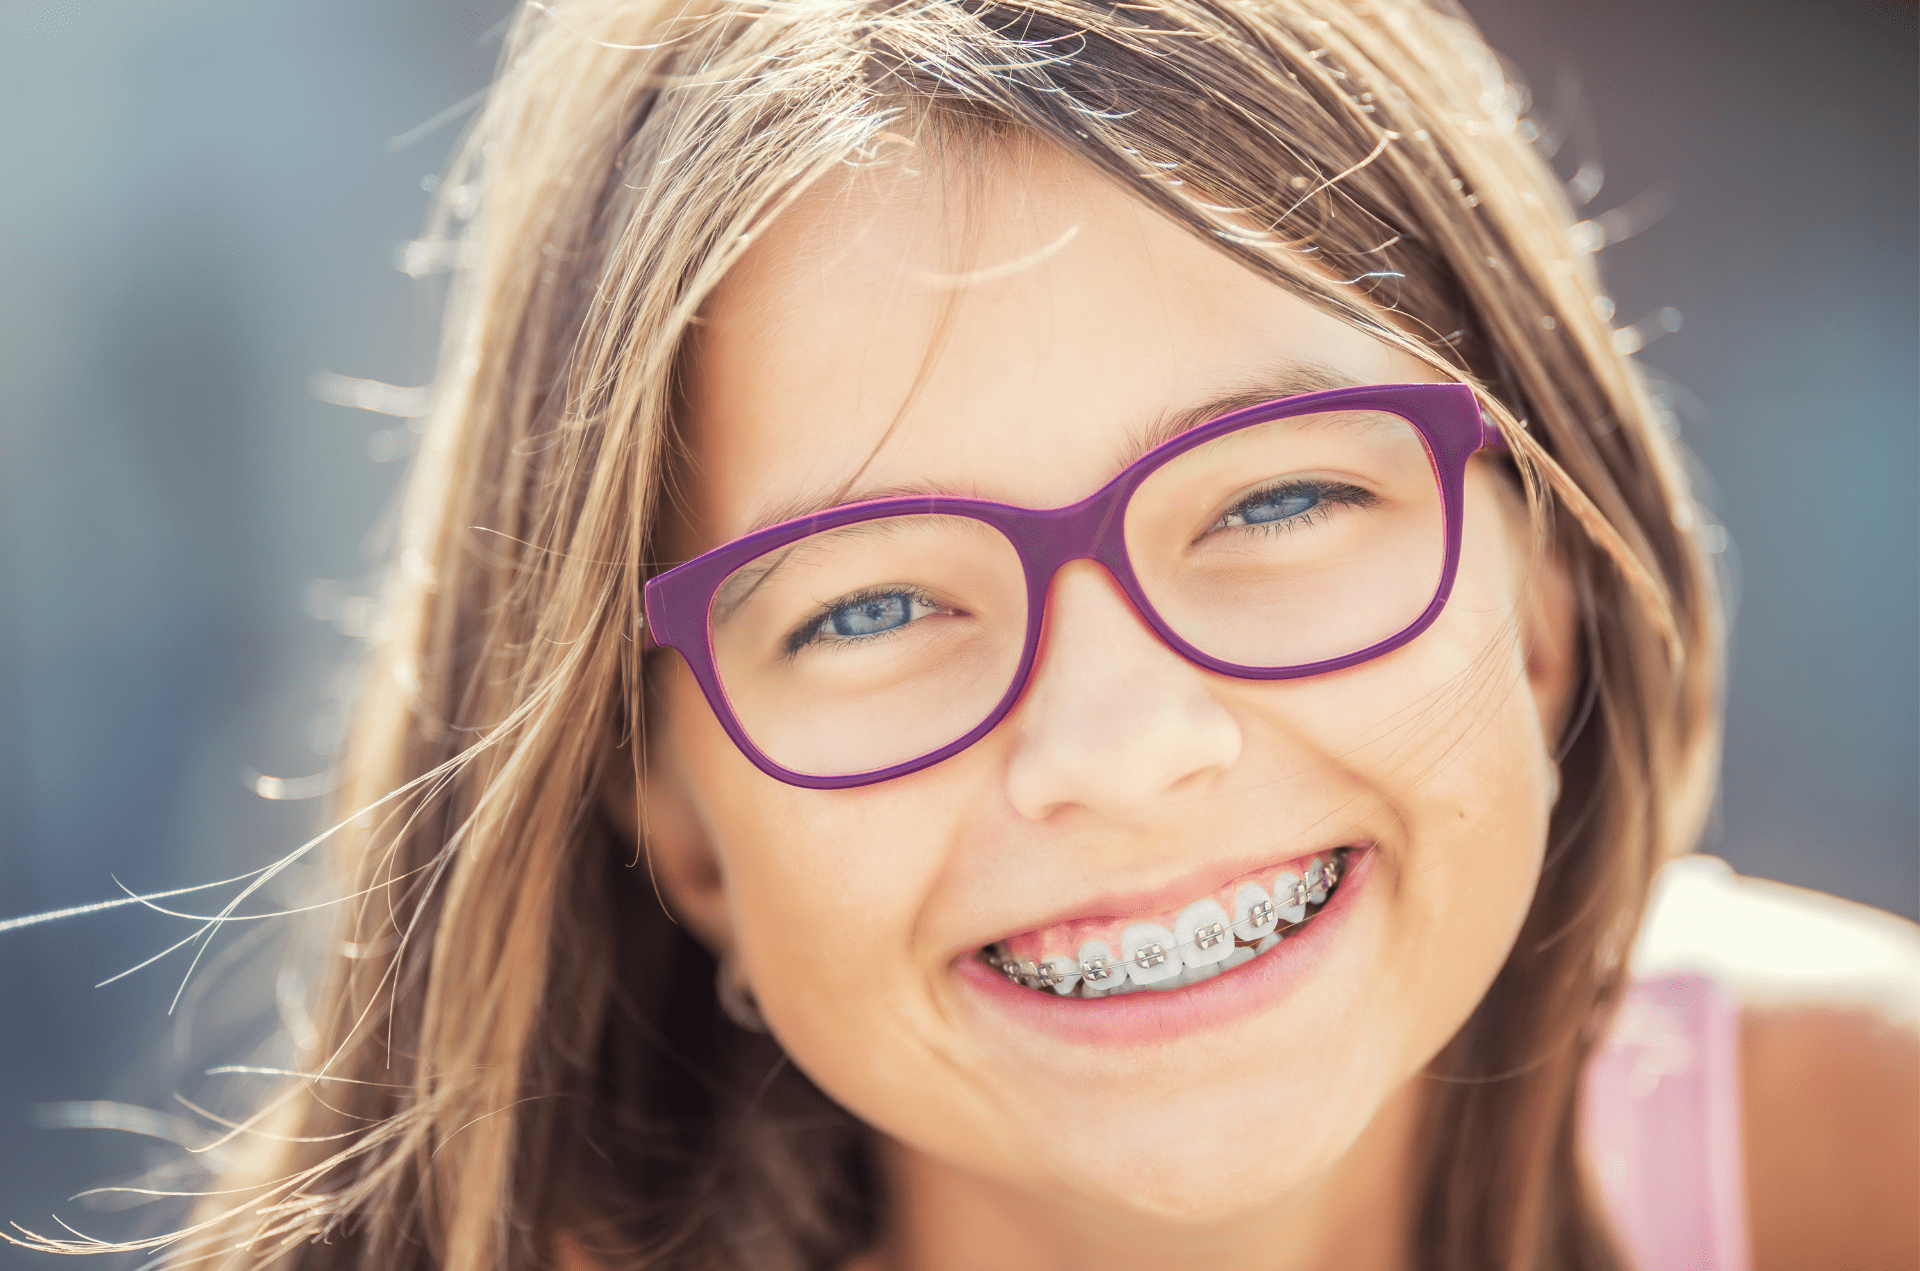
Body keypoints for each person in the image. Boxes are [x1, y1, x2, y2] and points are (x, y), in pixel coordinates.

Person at [35, 0, 1916, 1267]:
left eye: (1278, 501)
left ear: (1544, 604)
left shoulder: (1855, 1152)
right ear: (675, 820)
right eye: (867, 604)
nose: (1116, 743)